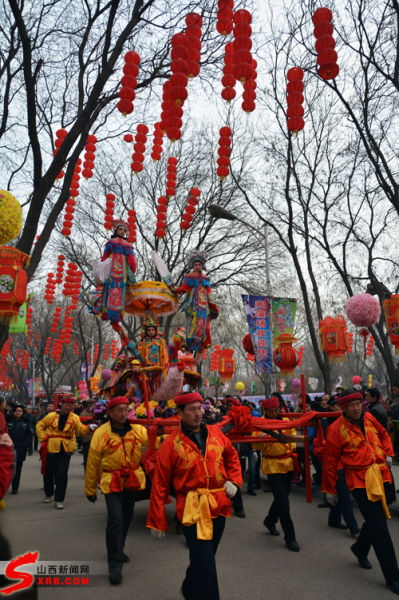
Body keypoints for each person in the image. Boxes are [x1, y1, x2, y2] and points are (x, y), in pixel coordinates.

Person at [147, 391, 242, 600]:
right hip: (192, 508)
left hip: (219, 505)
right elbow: (160, 482)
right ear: (180, 413)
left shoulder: (216, 434)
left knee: (204, 559)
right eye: (192, 410)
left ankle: (189, 588)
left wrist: (234, 480)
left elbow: (232, 455)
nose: (198, 413)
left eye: (200, 408)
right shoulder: (171, 443)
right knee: (206, 564)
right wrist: (157, 519)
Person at [322, 390, 399, 595]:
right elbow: (329, 461)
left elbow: (383, 434)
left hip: (381, 475)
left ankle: (360, 548)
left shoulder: (370, 417)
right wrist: (330, 489)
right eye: (352, 405)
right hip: (358, 480)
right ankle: (393, 576)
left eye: (359, 404)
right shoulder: (336, 429)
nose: (357, 408)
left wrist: (388, 453)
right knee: (380, 526)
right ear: (344, 408)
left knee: (377, 519)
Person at [85, 396, 155, 585]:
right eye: (119, 410)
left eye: (126, 409)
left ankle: (118, 548)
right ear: (110, 412)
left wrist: (158, 433)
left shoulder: (138, 430)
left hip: (131, 479)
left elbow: (153, 444)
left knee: (127, 517)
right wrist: (90, 488)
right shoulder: (102, 433)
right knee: (115, 519)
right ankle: (114, 563)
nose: (124, 413)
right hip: (111, 480)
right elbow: (92, 462)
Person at [254, 397, 302, 552]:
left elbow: (293, 434)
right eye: (272, 411)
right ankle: (290, 537)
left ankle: (270, 520)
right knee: (283, 502)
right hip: (272, 465)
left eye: (277, 410)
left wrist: (289, 443)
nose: (275, 413)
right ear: (265, 411)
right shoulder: (259, 424)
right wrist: (262, 438)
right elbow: (255, 444)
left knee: (282, 498)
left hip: (287, 463)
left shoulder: (286, 419)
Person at [36, 395, 91, 509]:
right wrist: (43, 437)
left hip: (65, 449)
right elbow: (40, 425)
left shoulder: (75, 417)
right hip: (50, 447)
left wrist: (89, 428)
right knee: (48, 472)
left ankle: (59, 499)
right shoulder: (52, 416)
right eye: (67, 405)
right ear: (62, 405)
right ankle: (48, 492)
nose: (69, 407)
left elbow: (80, 430)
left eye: (71, 405)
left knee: (62, 474)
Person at [174, 250, 218, 355]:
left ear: (202, 266)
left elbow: (209, 291)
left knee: (203, 326)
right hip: (193, 305)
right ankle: (188, 345)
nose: (198, 266)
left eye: (199, 264)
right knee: (191, 325)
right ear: (193, 266)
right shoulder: (189, 277)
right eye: (196, 264)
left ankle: (200, 347)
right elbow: (184, 287)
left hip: (204, 306)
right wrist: (176, 290)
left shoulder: (205, 278)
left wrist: (212, 302)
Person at [93, 219, 137, 323]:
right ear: (116, 231)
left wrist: (132, 270)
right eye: (120, 229)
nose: (122, 231)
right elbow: (104, 257)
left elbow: (132, 260)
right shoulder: (110, 243)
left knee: (121, 290)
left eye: (124, 230)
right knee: (108, 289)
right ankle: (106, 311)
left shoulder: (128, 245)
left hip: (123, 273)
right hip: (111, 271)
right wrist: (101, 270)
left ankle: (118, 314)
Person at [138, 318, 169, 393]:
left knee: (158, 385)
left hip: (158, 367)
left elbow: (164, 355)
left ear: (155, 330)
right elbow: (140, 354)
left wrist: (165, 366)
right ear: (146, 331)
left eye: (153, 330)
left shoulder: (161, 341)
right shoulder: (143, 342)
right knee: (147, 385)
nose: (151, 332)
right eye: (149, 330)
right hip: (147, 367)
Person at [7, 405, 32, 494]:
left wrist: (25, 445)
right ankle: (5, 486)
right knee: (7, 470)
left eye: (20, 411)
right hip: (9, 449)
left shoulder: (26, 422)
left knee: (17, 470)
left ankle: (15, 488)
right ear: (13, 412)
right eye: (16, 411)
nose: (18, 412)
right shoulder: (8, 421)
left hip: (20, 449)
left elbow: (29, 436)